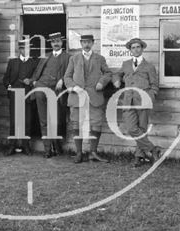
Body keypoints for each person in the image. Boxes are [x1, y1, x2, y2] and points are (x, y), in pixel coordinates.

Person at [112, 37, 162, 167]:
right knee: (131, 128)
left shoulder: (149, 67)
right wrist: (116, 80)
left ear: (142, 49)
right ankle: (153, 149)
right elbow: (117, 74)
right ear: (130, 50)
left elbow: (154, 86)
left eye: (138, 47)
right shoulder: (126, 64)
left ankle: (139, 156)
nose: (136, 49)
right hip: (128, 100)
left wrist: (149, 97)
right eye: (133, 47)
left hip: (143, 101)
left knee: (142, 129)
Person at [64, 34, 112, 163]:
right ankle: (79, 153)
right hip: (77, 97)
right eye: (84, 42)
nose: (86, 44)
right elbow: (67, 77)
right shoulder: (74, 59)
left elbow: (108, 73)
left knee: (96, 124)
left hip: (94, 97)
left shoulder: (100, 58)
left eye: (89, 42)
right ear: (81, 43)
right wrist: (74, 87)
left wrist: (102, 82)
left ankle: (93, 153)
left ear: (93, 43)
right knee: (76, 124)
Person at [30, 32, 70, 158]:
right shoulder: (46, 56)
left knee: (56, 120)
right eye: (53, 42)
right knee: (43, 120)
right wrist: (34, 81)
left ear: (62, 42)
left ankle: (56, 145)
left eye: (58, 41)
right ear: (50, 43)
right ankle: (47, 149)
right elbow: (37, 72)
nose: (56, 44)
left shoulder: (67, 57)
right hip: (41, 88)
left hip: (55, 91)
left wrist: (62, 80)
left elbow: (71, 72)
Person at [2, 38, 38, 155]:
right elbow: (5, 79)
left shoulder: (33, 63)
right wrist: (8, 85)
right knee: (14, 121)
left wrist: (31, 81)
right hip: (14, 95)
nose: (24, 50)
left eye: (26, 48)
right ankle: (12, 146)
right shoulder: (13, 62)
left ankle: (26, 146)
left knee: (27, 121)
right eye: (22, 48)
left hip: (27, 96)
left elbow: (37, 79)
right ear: (19, 49)